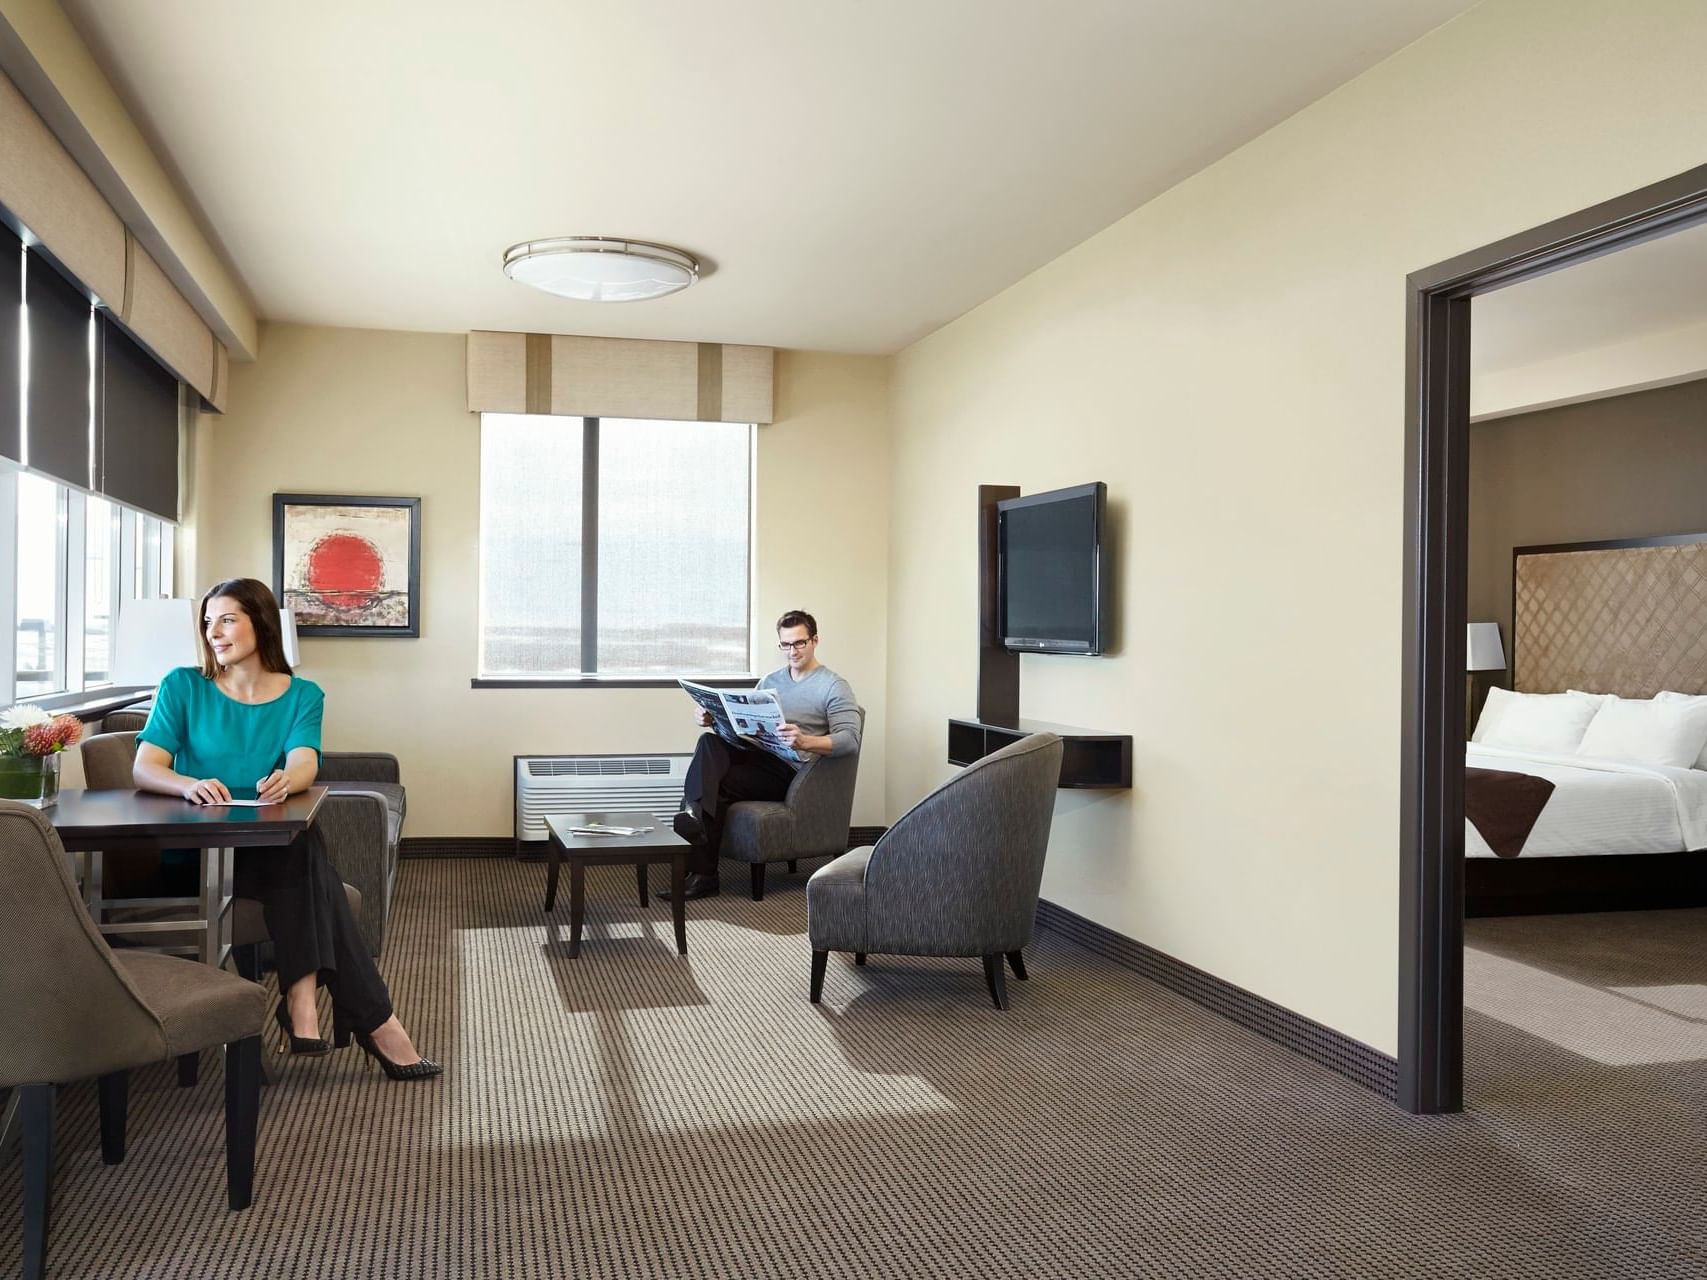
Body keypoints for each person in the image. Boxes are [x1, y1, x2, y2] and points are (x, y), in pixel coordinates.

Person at [131, 577, 441, 1081]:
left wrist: (286, 781)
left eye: (227, 619)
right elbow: (145, 768)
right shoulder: (183, 685)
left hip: (263, 853)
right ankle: (347, 1016)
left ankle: (313, 1008)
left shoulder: (302, 695)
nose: (214, 632)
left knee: (297, 845)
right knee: (307, 853)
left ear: (262, 623)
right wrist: (187, 785)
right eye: (208, 622)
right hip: (198, 856)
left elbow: (304, 761)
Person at [664, 609, 861, 900]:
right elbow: (745, 725)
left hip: (793, 775)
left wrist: (805, 740)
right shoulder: (771, 681)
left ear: (815, 641)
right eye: (785, 644)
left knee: (713, 786)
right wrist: (713, 719)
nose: (792, 651)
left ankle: (701, 862)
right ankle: (696, 828)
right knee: (709, 743)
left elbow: (849, 741)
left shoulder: (833, 686)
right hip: (760, 758)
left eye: (799, 643)